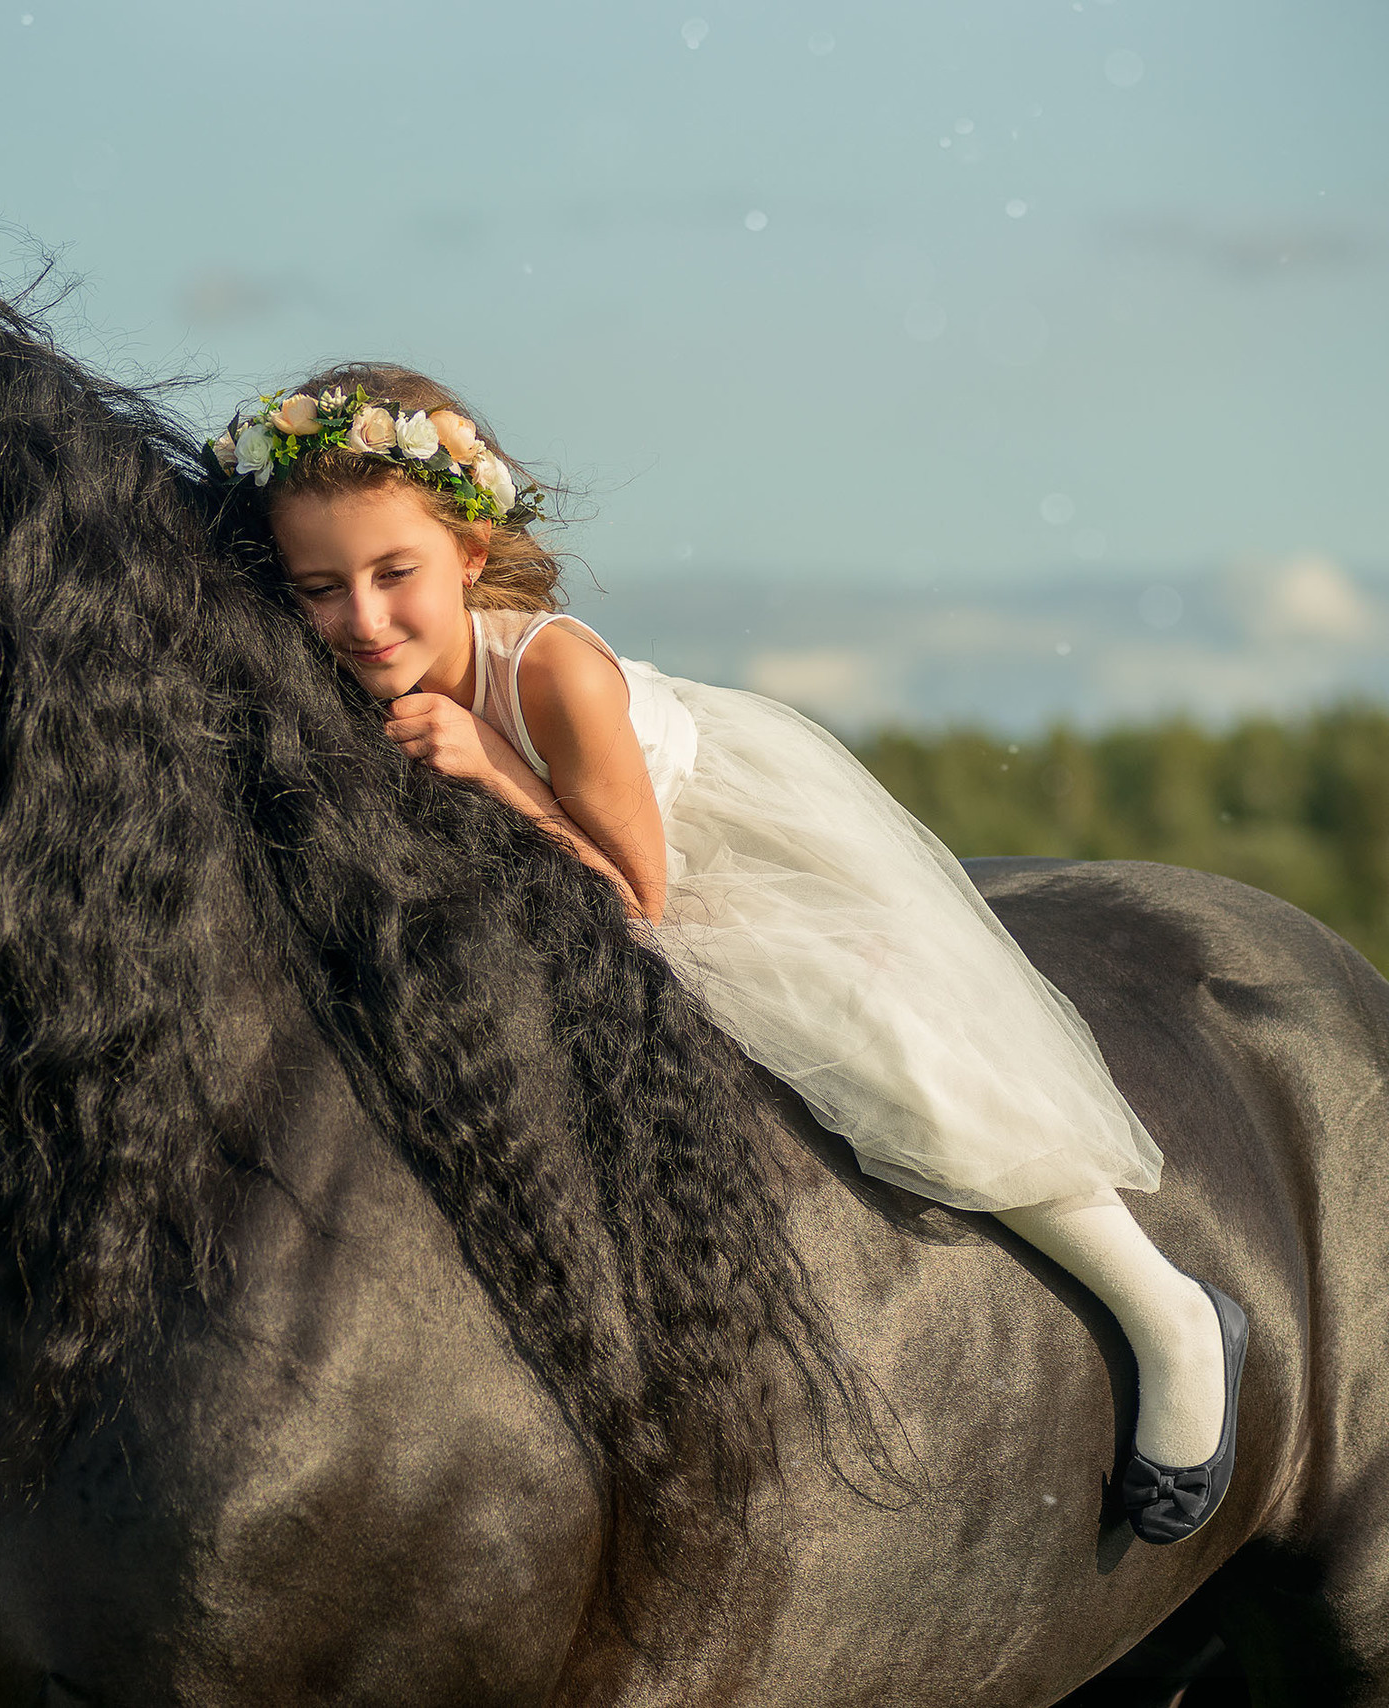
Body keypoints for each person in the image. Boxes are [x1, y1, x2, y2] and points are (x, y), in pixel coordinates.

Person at [205, 362, 1249, 1544]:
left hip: (676, 863)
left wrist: (491, 769)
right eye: (320, 588)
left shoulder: (550, 671)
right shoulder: (333, 675)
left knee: (884, 1038)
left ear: (471, 556)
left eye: (395, 574)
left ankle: (1166, 1311)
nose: (363, 618)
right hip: (531, 894)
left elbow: (636, 900)